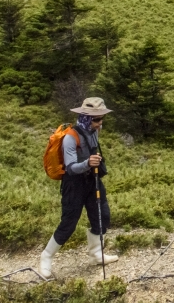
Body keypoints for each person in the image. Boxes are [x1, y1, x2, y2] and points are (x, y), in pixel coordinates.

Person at [39, 97, 119, 278]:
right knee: (68, 223)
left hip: (92, 180)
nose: (100, 123)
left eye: (102, 118)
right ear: (86, 118)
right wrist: (88, 163)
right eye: (97, 119)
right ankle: (46, 257)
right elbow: (70, 167)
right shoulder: (70, 137)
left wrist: (92, 164)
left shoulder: (94, 130)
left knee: (102, 216)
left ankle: (96, 254)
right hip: (74, 184)